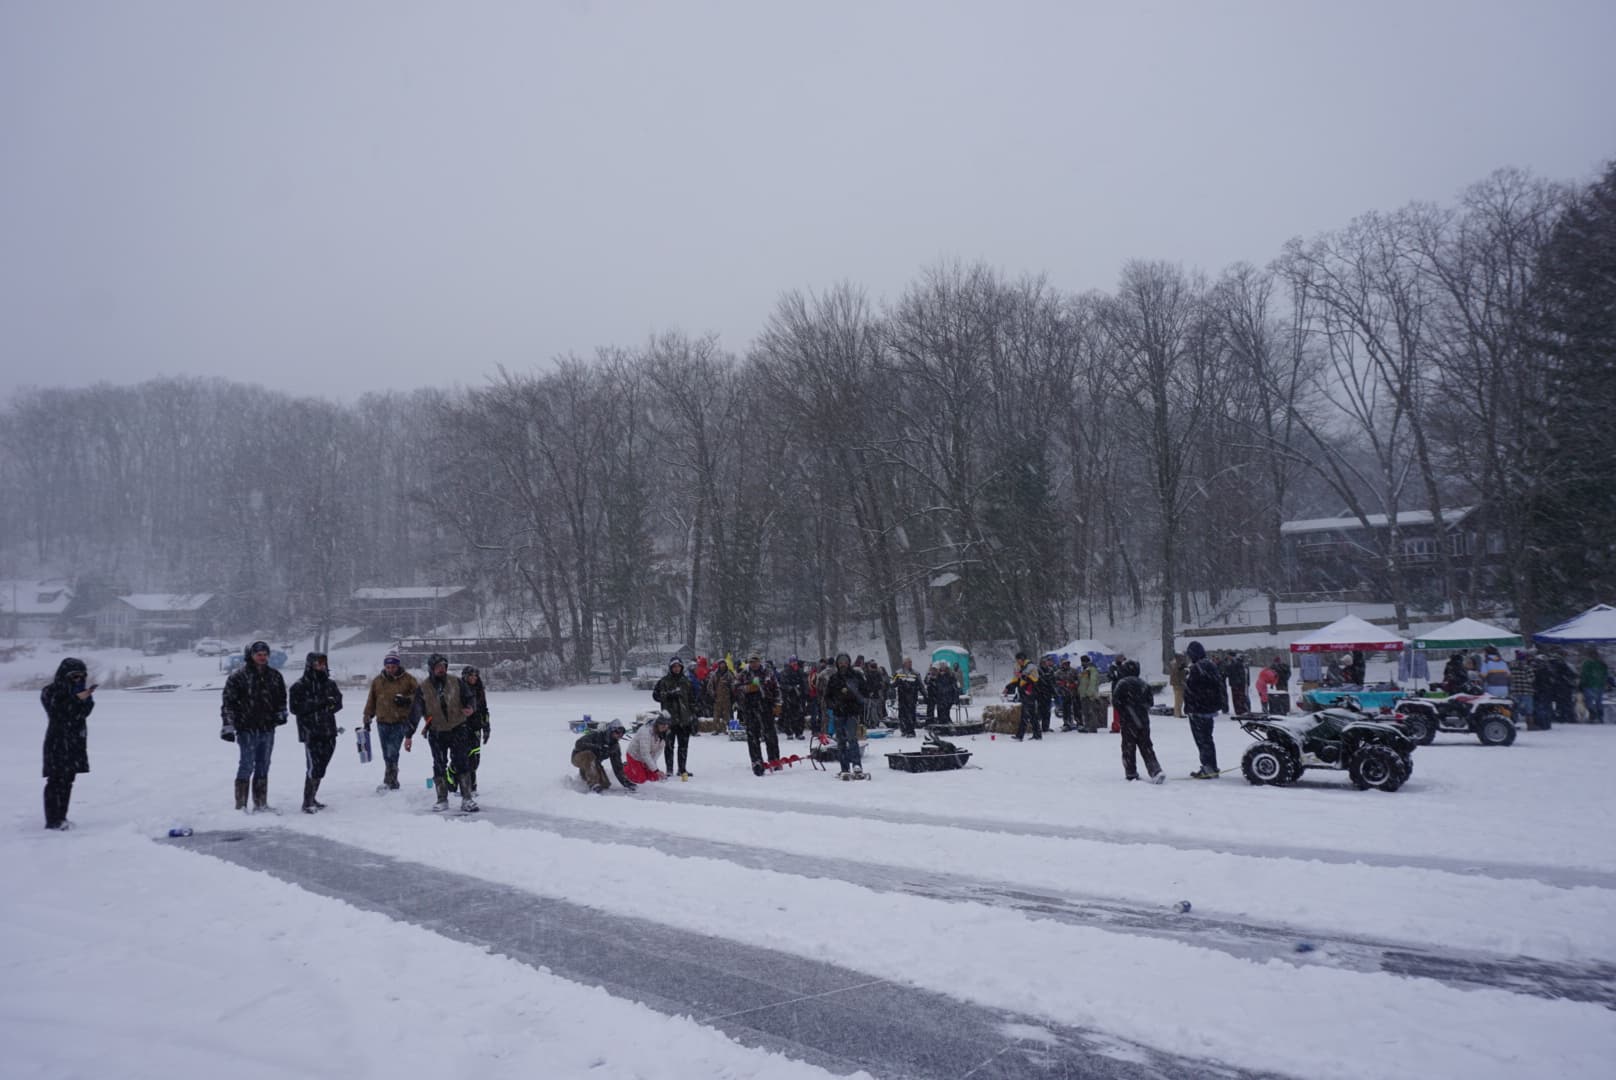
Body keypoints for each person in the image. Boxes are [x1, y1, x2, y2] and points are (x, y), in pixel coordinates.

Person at [221, 641, 288, 811]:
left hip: (267, 727)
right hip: (246, 728)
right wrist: (228, 726)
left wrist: (281, 713)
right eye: (258, 654)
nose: (262, 657)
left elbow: (281, 699)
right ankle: (241, 805)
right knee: (246, 764)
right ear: (250, 656)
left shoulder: (275, 676)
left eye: (265, 654)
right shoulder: (238, 677)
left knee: (263, 764)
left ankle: (260, 803)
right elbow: (228, 704)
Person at [415, 653, 477, 812]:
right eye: (438, 667)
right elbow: (415, 712)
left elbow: (470, 698)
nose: (441, 670)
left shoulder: (456, 682)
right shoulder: (423, 688)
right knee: (439, 764)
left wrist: (471, 707)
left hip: (458, 728)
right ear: (431, 669)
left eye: (443, 666)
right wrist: (408, 734)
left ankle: (467, 798)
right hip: (436, 732)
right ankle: (442, 799)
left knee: (462, 763)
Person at [41, 657, 94, 830]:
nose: (78, 680)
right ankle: (53, 820)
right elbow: (59, 713)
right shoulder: (50, 691)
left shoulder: (80, 692)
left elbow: (83, 714)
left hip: (75, 743)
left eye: (81, 676)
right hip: (57, 742)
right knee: (55, 780)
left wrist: (83, 698)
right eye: (74, 676)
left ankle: (61, 817)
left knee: (68, 780)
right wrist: (75, 699)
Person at [289, 651, 343, 814]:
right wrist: (320, 703)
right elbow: (295, 708)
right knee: (314, 766)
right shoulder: (299, 686)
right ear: (310, 665)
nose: (321, 666)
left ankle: (313, 797)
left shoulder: (330, 684)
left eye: (323, 663)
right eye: (317, 663)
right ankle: (307, 801)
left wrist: (332, 704)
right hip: (310, 732)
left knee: (323, 765)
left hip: (329, 730)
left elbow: (338, 703)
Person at [362, 652, 418, 792]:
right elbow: (371, 701)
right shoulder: (377, 681)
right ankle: (393, 780)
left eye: (393, 666)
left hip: (400, 721)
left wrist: (407, 700)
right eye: (388, 666)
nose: (390, 669)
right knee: (386, 752)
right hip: (382, 721)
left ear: (398, 666)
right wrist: (367, 718)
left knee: (393, 751)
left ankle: (389, 780)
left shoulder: (408, 679)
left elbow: (419, 697)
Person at [1112, 660, 1164, 783]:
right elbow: (1150, 702)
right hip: (1143, 720)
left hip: (1128, 721)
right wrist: (1140, 708)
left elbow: (1116, 702)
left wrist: (1125, 711)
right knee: (1146, 746)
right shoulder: (1144, 684)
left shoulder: (1121, 684)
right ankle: (1155, 770)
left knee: (1128, 747)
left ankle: (1131, 772)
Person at [734, 654, 782, 775]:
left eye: (756, 662)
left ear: (759, 662)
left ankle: (774, 758)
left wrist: (778, 704)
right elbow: (735, 688)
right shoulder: (744, 674)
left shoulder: (768, 673)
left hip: (766, 707)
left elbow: (776, 688)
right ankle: (756, 760)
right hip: (750, 708)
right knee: (753, 736)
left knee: (770, 734)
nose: (754, 664)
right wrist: (747, 688)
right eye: (751, 662)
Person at [1183, 640, 1223, 778]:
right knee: (1208, 739)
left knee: (1202, 740)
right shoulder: (1211, 665)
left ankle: (1208, 767)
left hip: (1198, 710)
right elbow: (1218, 687)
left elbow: (1190, 690)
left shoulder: (1196, 668)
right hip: (1209, 709)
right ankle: (1211, 766)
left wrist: (1189, 707)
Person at [824, 653, 868, 778]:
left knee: (852, 738)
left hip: (852, 712)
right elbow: (827, 696)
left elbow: (864, 692)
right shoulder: (834, 678)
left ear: (848, 662)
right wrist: (833, 705)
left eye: (845, 661)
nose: (843, 664)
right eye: (840, 662)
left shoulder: (856, 676)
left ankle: (856, 764)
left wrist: (857, 703)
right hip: (839, 712)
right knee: (841, 740)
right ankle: (844, 766)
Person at [652, 657, 696, 779]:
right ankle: (669, 769)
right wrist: (667, 695)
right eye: (674, 666)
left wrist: (693, 715)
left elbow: (692, 700)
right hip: (669, 720)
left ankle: (682, 769)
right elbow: (655, 696)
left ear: (681, 667)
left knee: (683, 746)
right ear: (671, 668)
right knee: (669, 746)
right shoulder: (664, 681)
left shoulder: (686, 681)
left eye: (678, 666)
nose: (676, 668)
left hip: (684, 719)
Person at [572, 719, 635, 792]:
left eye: (622, 733)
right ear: (610, 731)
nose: (620, 735)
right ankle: (593, 784)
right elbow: (578, 744)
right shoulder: (597, 735)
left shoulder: (615, 747)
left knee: (605, 785)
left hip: (594, 763)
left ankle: (585, 772)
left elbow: (617, 767)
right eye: (617, 732)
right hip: (578, 757)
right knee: (589, 754)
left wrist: (626, 783)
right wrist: (597, 747)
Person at [460, 666, 491, 796]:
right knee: (462, 758)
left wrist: (487, 727)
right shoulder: (459, 690)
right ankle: (464, 786)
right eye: (470, 676)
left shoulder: (479, 690)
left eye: (475, 676)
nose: (473, 678)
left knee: (475, 758)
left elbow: (484, 710)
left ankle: (472, 785)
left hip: (476, 728)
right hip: (461, 728)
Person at [622, 714, 670, 783]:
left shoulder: (663, 733)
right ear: (657, 724)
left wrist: (652, 766)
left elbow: (658, 751)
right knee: (640, 779)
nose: (665, 727)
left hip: (646, 758)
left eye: (667, 725)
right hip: (635, 756)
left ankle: (640, 768)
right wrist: (656, 770)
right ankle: (624, 768)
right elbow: (645, 754)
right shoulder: (646, 732)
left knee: (654, 778)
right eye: (662, 724)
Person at [1005, 652, 1042, 741]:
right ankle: (1037, 734)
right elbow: (1017, 681)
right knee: (1032, 715)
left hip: (1030, 693)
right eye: (1017, 660)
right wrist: (1008, 687)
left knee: (1025, 715)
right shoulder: (1018, 667)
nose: (1018, 662)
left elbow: (1035, 679)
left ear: (1022, 659)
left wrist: (1022, 676)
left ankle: (1020, 735)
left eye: (1018, 660)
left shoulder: (1031, 667)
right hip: (1024, 693)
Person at [779, 656, 809, 740]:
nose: (794, 663)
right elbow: (782, 684)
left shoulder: (800, 672)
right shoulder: (785, 672)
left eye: (795, 662)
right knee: (788, 716)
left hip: (799, 698)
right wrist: (791, 688)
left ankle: (799, 732)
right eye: (792, 662)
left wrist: (804, 692)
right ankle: (789, 732)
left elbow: (805, 683)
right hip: (789, 697)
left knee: (800, 716)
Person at [892, 657, 923, 737]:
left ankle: (911, 730)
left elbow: (921, 685)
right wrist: (898, 682)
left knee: (911, 715)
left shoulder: (915, 673)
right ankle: (904, 729)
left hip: (912, 698)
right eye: (908, 662)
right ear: (904, 663)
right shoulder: (898, 673)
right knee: (902, 715)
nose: (909, 664)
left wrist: (925, 695)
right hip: (902, 698)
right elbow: (892, 684)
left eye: (910, 662)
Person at [1509, 649, 1537, 728]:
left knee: (1514, 709)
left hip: (1515, 691)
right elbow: (1531, 679)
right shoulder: (1527, 667)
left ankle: (1511, 725)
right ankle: (1530, 725)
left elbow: (1509, 677)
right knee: (1529, 711)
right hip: (1526, 691)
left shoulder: (1511, 666)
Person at [926, 661, 959, 727]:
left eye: (944, 666)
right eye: (941, 666)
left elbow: (954, 686)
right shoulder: (938, 675)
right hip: (940, 697)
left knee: (946, 711)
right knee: (941, 711)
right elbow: (931, 683)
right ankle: (943, 723)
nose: (943, 668)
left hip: (948, 696)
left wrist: (955, 696)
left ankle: (946, 723)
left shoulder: (950, 675)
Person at [1579, 648, 1608, 724]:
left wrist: (1581, 684)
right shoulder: (1602, 664)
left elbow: (1584, 675)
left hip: (1589, 685)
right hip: (1599, 685)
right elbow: (1605, 674)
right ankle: (1600, 717)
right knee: (1599, 702)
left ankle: (1592, 716)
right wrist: (1603, 683)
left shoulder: (1587, 663)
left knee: (1589, 701)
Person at [1077, 654, 1105, 733]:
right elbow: (1083, 682)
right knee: (1085, 712)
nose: (1082, 663)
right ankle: (1087, 726)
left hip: (1090, 695)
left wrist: (1090, 692)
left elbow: (1093, 681)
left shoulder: (1092, 669)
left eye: (1082, 662)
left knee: (1091, 711)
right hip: (1084, 695)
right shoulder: (1085, 670)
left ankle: (1092, 727)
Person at [1053, 658, 1080, 731]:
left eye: (1067, 663)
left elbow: (1078, 680)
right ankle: (1066, 723)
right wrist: (1060, 683)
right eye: (1064, 664)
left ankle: (1079, 723)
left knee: (1076, 709)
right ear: (1061, 664)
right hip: (1064, 693)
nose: (1066, 665)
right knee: (1066, 709)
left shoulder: (1073, 671)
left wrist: (1074, 684)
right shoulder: (1058, 673)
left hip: (1074, 693)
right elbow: (1054, 682)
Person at [1035, 655, 1057, 733]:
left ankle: (1046, 727)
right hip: (1040, 694)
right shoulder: (1037, 670)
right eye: (1043, 662)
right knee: (1039, 712)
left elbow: (1053, 682)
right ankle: (1037, 727)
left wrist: (1054, 692)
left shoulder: (1050, 670)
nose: (1045, 663)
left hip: (1048, 694)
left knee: (1047, 712)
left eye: (1046, 662)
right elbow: (1037, 682)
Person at [1168, 652, 1188, 718]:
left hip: (1178, 684)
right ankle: (1177, 714)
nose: (1182, 658)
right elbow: (1177, 674)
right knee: (1178, 700)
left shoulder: (1176, 663)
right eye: (1181, 656)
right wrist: (1183, 670)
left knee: (1179, 700)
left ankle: (1178, 713)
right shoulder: (1175, 664)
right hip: (1178, 684)